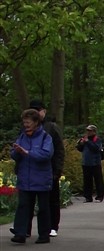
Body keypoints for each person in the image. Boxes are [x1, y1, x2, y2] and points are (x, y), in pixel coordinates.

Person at [9, 108, 54, 244]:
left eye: (28, 122)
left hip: (41, 178)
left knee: (43, 208)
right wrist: (16, 152)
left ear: (36, 122)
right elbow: (15, 154)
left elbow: (46, 154)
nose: (26, 125)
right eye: (24, 122)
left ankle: (44, 235)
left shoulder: (46, 137)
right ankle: (20, 233)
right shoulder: (22, 136)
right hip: (25, 178)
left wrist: (28, 152)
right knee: (23, 206)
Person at [28, 99, 64, 237]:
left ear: (44, 111)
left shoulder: (51, 127)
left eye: (38, 110)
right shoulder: (27, 126)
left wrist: (57, 170)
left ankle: (53, 226)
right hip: (31, 169)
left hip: (50, 169)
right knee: (29, 200)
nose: (35, 113)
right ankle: (25, 228)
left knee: (52, 199)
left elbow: (59, 150)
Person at [76, 124, 104, 202]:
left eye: (90, 131)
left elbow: (96, 148)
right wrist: (80, 143)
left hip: (95, 163)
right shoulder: (85, 139)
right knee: (87, 181)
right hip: (86, 163)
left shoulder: (97, 139)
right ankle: (88, 197)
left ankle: (99, 196)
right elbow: (80, 149)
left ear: (94, 132)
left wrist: (88, 142)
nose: (88, 132)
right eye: (87, 131)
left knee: (98, 180)